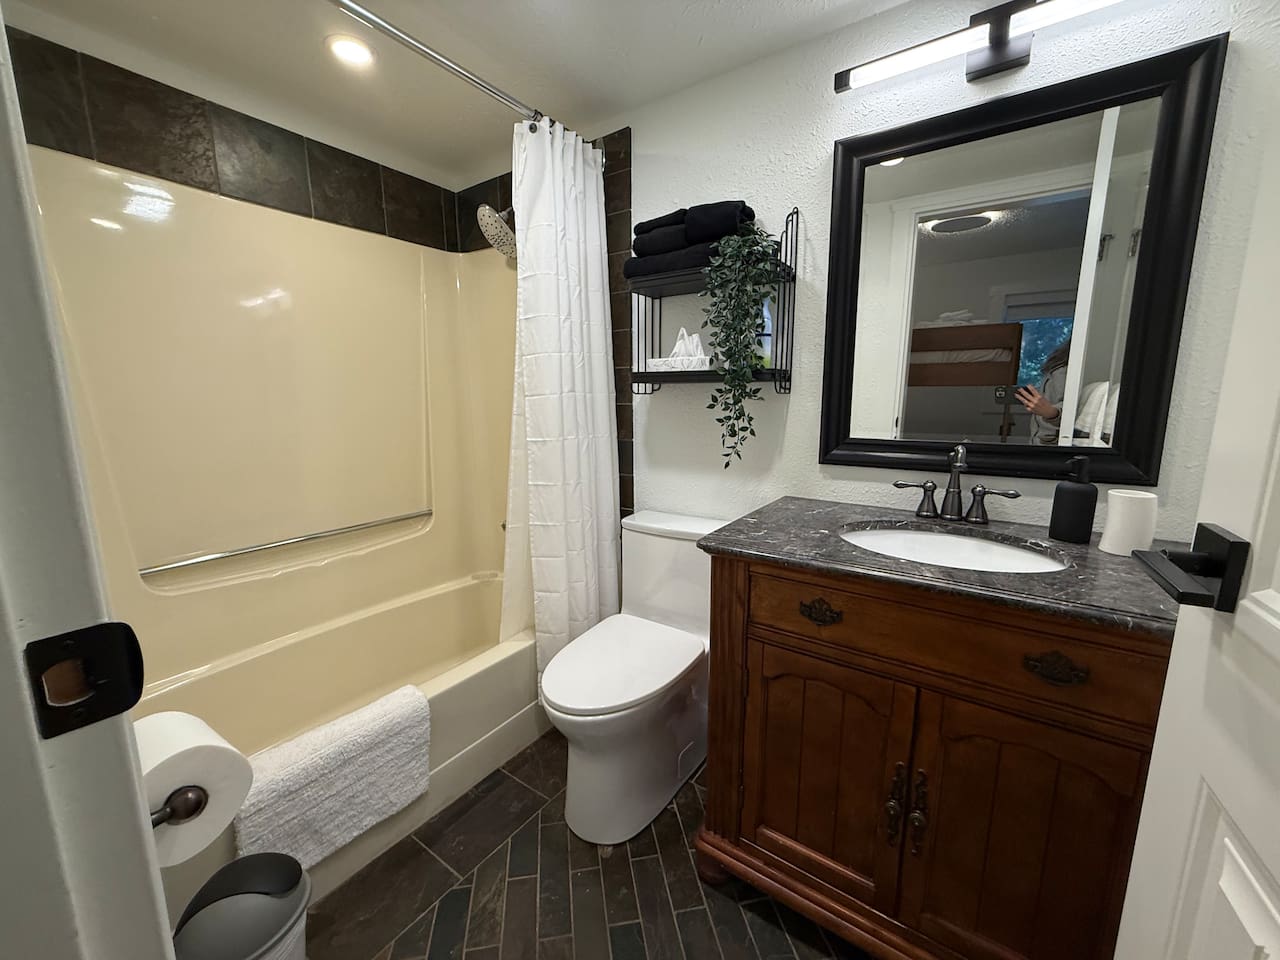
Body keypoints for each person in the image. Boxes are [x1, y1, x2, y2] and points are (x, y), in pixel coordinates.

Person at [1015, 338, 1070, 444]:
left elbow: (1072, 406)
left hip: (1051, 441)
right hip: (1040, 439)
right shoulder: (1057, 366)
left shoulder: (1066, 371)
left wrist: (1053, 413)